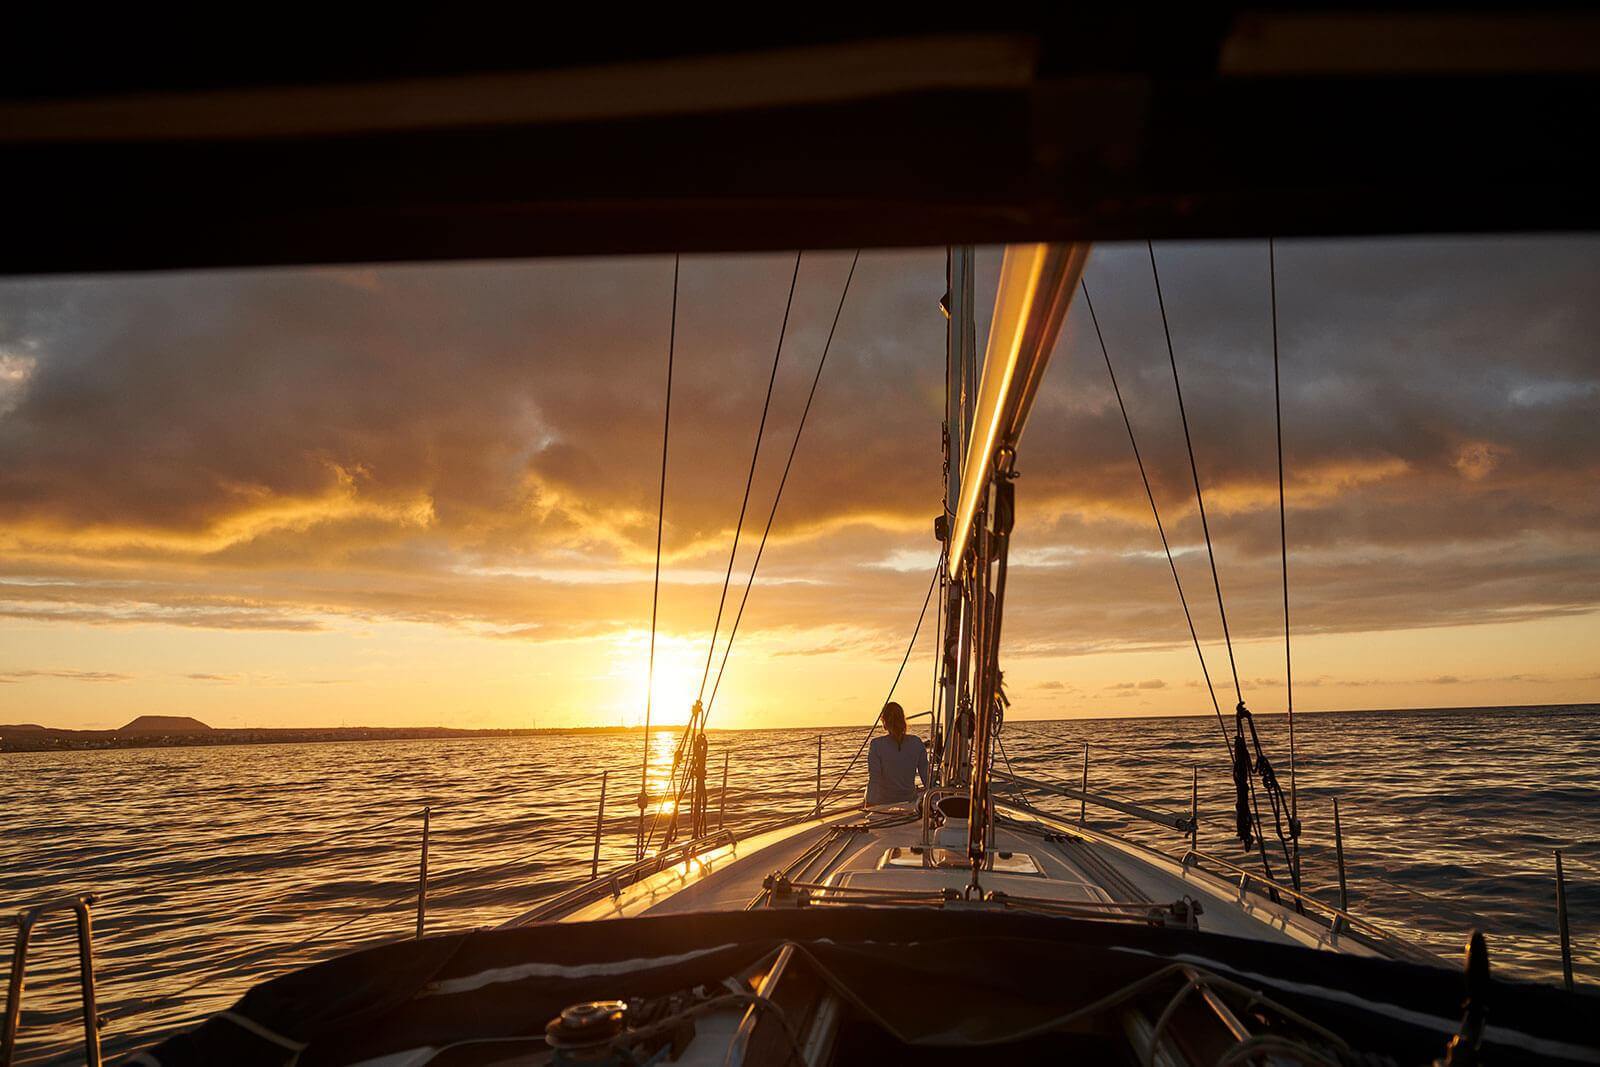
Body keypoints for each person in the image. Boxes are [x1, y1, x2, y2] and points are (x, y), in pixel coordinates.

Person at [866, 701, 929, 806]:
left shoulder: (876, 744)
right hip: (910, 801)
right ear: (903, 720)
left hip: (884, 803)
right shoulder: (916, 742)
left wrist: (869, 803)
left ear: (884, 722)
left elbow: (874, 777)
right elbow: (926, 776)